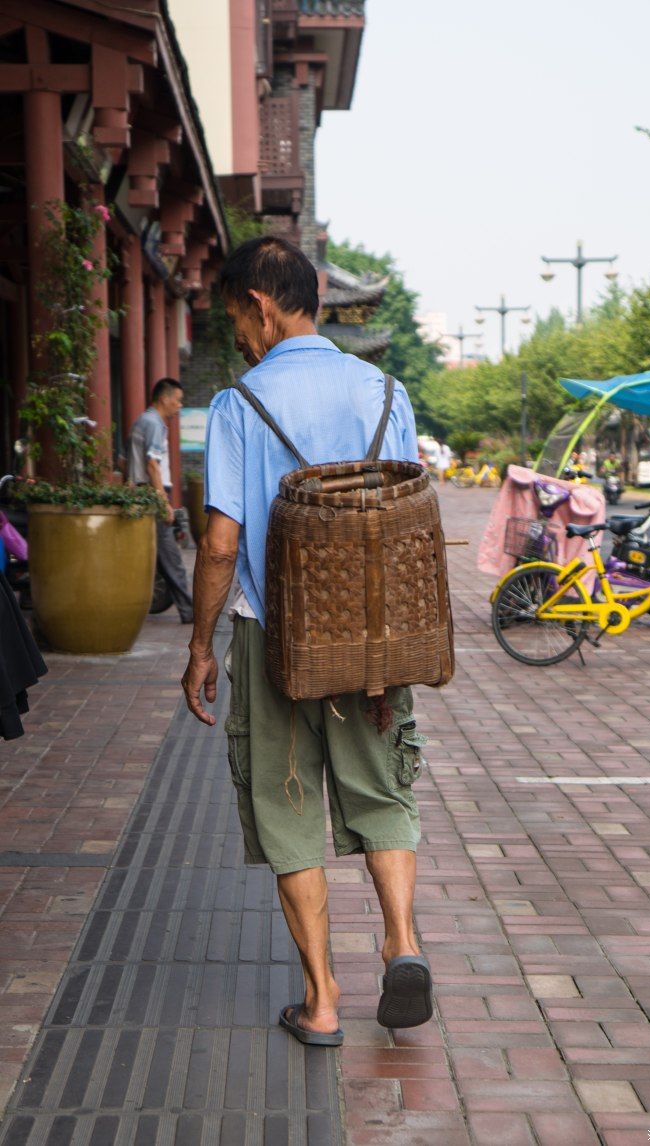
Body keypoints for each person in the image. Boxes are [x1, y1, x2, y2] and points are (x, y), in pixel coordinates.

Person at [181, 235, 432, 1047]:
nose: (240, 340)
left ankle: (322, 1002)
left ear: (260, 304)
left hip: (275, 641)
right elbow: (402, 519)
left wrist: (200, 647)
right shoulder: (388, 393)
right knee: (383, 797)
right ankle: (401, 940)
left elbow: (221, 542)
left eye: (237, 322)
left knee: (287, 810)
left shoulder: (237, 404)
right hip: (370, 642)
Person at [127, 378, 193, 624]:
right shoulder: (154, 423)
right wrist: (163, 501)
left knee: (156, 555)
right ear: (164, 398)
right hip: (151, 492)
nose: (179, 406)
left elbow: (127, 462)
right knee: (170, 555)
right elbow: (152, 464)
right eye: (177, 400)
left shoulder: (141, 421)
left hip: (141, 491)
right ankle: (189, 610)